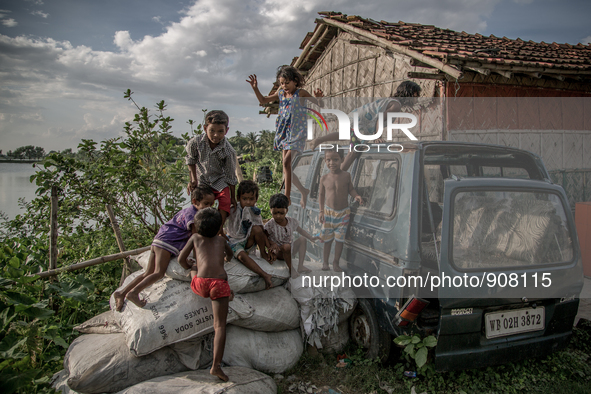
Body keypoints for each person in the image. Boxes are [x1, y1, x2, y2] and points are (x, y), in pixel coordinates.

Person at [113, 186, 216, 311]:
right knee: (158, 273)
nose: (209, 207)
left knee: (147, 272)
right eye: (206, 203)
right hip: (167, 243)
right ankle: (134, 293)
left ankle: (122, 293)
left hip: (159, 240)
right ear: (195, 201)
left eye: (211, 204)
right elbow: (195, 239)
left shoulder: (187, 211)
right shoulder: (194, 216)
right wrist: (196, 259)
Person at [246, 65, 323, 208]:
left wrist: (318, 98)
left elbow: (320, 104)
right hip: (283, 132)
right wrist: (255, 88)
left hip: (297, 132)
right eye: (282, 83)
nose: (284, 86)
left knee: (287, 163)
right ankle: (303, 191)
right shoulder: (281, 93)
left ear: (295, 81)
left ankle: (286, 197)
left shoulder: (301, 93)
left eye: (287, 82)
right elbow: (263, 100)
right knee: (286, 167)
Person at [311, 81, 422, 170]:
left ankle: (319, 140)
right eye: (416, 95)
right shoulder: (396, 105)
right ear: (409, 94)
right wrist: (377, 136)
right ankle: (337, 176)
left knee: (345, 134)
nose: (417, 99)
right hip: (362, 123)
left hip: (356, 117)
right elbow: (380, 118)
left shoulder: (391, 101)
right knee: (355, 151)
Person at [178, 208, 234, 382]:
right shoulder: (221, 240)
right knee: (220, 327)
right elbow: (230, 256)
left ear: (197, 227)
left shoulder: (194, 238)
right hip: (219, 284)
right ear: (219, 228)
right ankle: (216, 366)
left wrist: (191, 268)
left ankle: (194, 275)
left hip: (200, 284)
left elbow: (181, 259)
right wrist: (225, 258)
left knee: (193, 271)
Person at [185, 110, 238, 229]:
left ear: (226, 131)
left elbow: (230, 175)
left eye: (220, 131)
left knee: (225, 201)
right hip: (201, 179)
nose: (216, 135)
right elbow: (191, 161)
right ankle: (198, 229)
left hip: (219, 179)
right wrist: (193, 180)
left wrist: (233, 197)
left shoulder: (228, 151)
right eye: (212, 131)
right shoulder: (195, 143)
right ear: (205, 128)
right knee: (199, 203)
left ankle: (219, 229)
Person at [319, 149, 363, 272]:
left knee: (339, 240)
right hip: (328, 213)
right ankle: (325, 262)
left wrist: (356, 196)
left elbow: (351, 189)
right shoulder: (324, 178)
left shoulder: (346, 176)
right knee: (327, 240)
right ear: (325, 161)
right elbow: (321, 195)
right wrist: (321, 211)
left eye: (335, 159)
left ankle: (335, 263)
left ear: (342, 160)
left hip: (343, 213)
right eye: (328, 160)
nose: (332, 163)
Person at [225, 180, 274, 289]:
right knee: (242, 257)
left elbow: (261, 230)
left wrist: (268, 247)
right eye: (244, 199)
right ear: (238, 198)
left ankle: (262, 253)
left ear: (256, 199)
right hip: (234, 241)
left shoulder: (254, 211)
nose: (248, 202)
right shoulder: (233, 209)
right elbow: (222, 219)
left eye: (251, 199)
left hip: (248, 241)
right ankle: (264, 274)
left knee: (257, 229)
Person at [264, 194, 320, 278]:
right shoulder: (270, 225)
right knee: (286, 246)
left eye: (281, 213)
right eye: (275, 213)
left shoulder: (291, 221)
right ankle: (291, 269)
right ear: (271, 211)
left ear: (286, 210)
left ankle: (300, 266)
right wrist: (271, 243)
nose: (278, 216)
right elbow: (264, 237)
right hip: (278, 252)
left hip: (291, 251)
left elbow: (300, 230)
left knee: (302, 239)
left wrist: (311, 237)